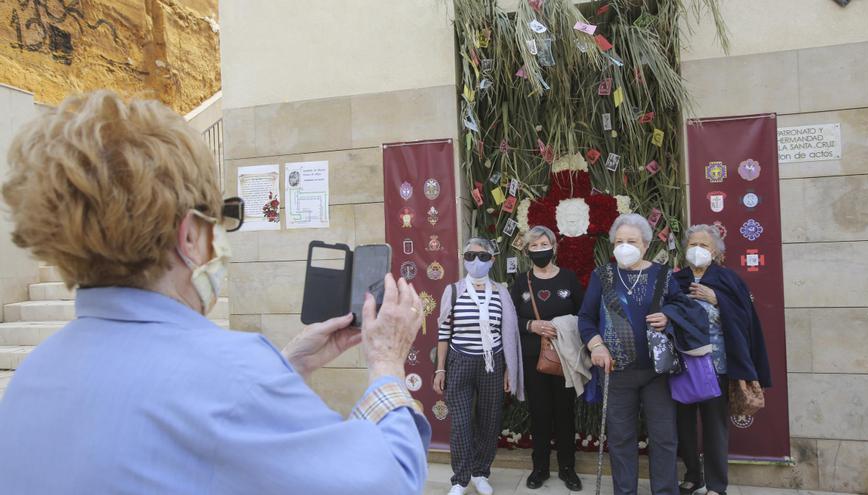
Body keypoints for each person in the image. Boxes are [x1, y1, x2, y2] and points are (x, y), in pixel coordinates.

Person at [0, 91, 430, 495]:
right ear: (189, 237)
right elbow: (388, 481)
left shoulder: (32, 377)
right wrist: (386, 361)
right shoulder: (234, 377)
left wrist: (287, 368)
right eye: (220, 220)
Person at [577, 213, 688, 495]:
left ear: (646, 245)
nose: (624, 246)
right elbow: (586, 318)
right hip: (616, 371)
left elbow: (683, 308)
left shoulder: (663, 274)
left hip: (657, 372)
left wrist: (669, 317)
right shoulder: (602, 275)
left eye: (632, 241)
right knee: (620, 438)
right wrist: (597, 346)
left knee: (664, 438)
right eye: (620, 241)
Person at [674, 225, 772, 495]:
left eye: (704, 246)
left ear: (715, 251)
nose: (697, 250)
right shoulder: (676, 280)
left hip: (715, 366)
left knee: (715, 426)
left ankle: (716, 485)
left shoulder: (728, 280)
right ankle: (693, 475)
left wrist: (717, 299)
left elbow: (746, 319)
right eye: (693, 244)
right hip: (681, 365)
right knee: (684, 424)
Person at [432, 238, 524, 495]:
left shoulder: (501, 292)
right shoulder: (452, 291)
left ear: (493, 260)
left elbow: (508, 334)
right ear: (464, 258)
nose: (476, 261)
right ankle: (460, 480)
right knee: (461, 423)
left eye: (483, 257)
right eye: (471, 255)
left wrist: (509, 369)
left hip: (492, 363)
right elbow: (443, 332)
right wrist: (440, 368)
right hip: (459, 361)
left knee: (489, 421)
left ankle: (480, 472)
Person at [510, 226, 584, 491]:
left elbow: (584, 314)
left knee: (565, 413)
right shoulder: (520, 281)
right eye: (534, 246)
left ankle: (568, 469)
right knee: (539, 413)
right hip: (533, 358)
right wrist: (532, 325)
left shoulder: (568, 278)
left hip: (564, 358)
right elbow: (509, 320)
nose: (540, 249)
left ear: (554, 246)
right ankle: (539, 468)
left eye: (544, 244)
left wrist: (563, 326)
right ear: (527, 250)